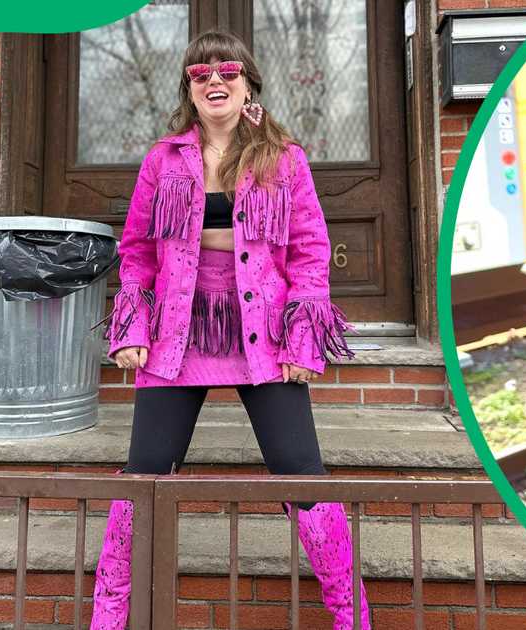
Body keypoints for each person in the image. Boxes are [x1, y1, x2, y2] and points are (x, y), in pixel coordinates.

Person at [90, 30, 367, 630]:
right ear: (189, 88)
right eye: (200, 73)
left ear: (248, 85)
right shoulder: (162, 160)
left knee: (304, 478)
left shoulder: (282, 159)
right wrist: (132, 328)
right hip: (175, 332)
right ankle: (108, 620)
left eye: (227, 71)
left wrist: (301, 339)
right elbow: (137, 250)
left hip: (262, 333)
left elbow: (309, 252)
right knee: (142, 482)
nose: (214, 81)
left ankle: (353, 619)